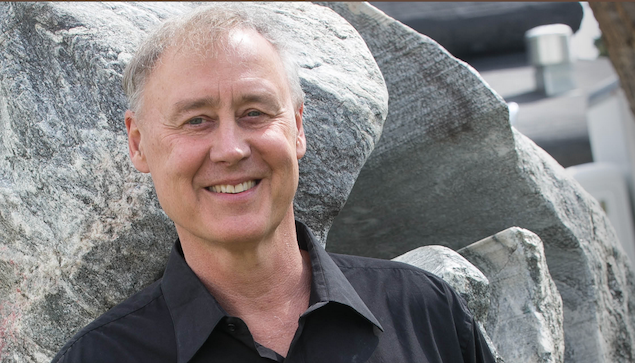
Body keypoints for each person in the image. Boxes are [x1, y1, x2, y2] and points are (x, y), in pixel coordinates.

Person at [52, 4, 495, 363]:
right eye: (196, 120)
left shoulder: (425, 313)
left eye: (254, 113)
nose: (230, 149)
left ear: (298, 127)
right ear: (139, 144)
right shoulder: (99, 356)